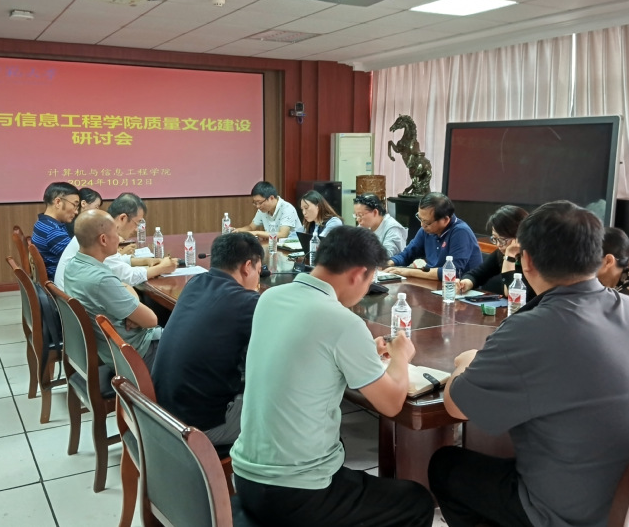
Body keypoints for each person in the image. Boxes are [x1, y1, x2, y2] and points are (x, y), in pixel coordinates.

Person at [428, 201, 629, 527]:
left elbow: (457, 406)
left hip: (578, 514)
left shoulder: (534, 327)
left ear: (527, 260)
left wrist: (466, 362)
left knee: (446, 466)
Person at [231, 226, 435, 527]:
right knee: (416, 501)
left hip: (246, 477)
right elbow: (392, 403)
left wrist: (363, 351)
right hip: (297, 492)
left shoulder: (270, 297)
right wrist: (401, 357)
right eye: (370, 280)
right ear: (359, 274)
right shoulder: (343, 322)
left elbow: (306, 351)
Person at [152, 232, 263, 447]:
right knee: (285, 409)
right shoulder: (247, 302)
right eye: (259, 272)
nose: (258, 280)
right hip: (200, 427)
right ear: (247, 266)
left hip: (163, 413)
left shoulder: (195, 282)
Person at [63, 209, 161, 368]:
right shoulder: (102, 280)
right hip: (135, 354)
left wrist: (133, 311)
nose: (120, 238)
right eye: (116, 232)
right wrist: (136, 314)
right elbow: (151, 320)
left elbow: (124, 284)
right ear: (103, 239)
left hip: (108, 351)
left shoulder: (72, 266)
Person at [54, 192, 178, 289]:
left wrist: (145, 261)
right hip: (80, 306)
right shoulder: (101, 235)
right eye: (137, 223)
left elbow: (113, 262)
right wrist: (162, 268)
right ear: (123, 218)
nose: (136, 229)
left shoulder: (97, 226)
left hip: (71, 300)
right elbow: (127, 277)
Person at [384, 192, 481, 281]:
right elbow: (407, 254)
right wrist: (388, 263)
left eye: (427, 222)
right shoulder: (426, 230)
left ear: (445, 220)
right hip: (434, 284)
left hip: (460, 288)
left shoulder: (460, 232)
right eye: (420, 218)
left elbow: (452, 272)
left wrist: (408, 272)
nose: (422, 225)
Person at [457, 205, 535, 299]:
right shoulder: (500, 253)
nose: (498, 244)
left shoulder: (533, 258)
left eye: (502, 240)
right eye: (495, 238)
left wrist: (509, 256)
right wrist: (465, 283)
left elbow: (517, 296)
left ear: (519, 236)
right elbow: (477, 274)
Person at [31, 181, 79, 280]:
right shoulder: (53, 232)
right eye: (74, 205)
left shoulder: (42, 223)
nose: (76, 211)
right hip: (61, 283)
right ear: (58, 202)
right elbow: (82, 261)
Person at [234, 181, 300, 240]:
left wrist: (257, 233)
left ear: (271, 198)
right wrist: (238, 230)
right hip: (273, 245)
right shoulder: (262, 209)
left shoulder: (287, 208)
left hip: (292, 246)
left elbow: (283, 234)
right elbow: (251, 227)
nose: (258, 206)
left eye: (260, 202)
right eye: (255, 203)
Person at [353, 193, 407, 257]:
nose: (358, 219)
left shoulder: (393, 228)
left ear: (375, 212)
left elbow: (385, 256)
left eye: (360, 215)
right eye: (356, 215)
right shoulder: (364, 226)